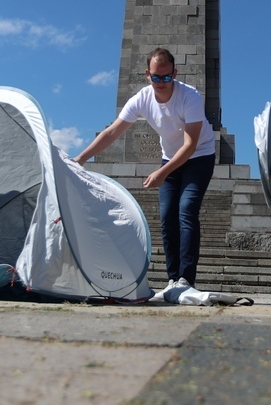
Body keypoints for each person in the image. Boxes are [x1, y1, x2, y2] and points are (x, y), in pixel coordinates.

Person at [74, 48, 216, 293]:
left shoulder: (189, 96)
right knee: (166, 216)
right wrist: (81, 158)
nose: (161, 83)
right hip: (170, 157)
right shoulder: (142, 98)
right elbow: (113, 132)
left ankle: (186, 279)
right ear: (147, 75)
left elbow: (190, 144)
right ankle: (173, 279)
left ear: (175, 73)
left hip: (199, 156)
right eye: (155, 77)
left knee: (186, 211)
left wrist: (162, 172)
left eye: (166, 77)